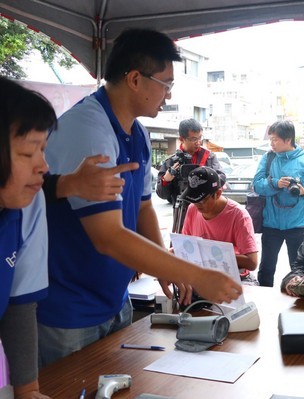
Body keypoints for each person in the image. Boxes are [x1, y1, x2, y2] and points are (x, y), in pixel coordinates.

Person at [36, 28, 242, 367]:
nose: (169, 94)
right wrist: (195, 274)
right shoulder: (89, 130)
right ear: (134, 79)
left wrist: (163, 264)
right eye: (165, 83)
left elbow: (144, 206)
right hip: (70, 307)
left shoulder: (137, 132)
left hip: (114, 298)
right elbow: (108, 238)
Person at [0, 76, 55, 399]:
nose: (44, 167)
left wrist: (29, 391)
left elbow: (19, 305)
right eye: (28, 153)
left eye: (44, 150)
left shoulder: (27, 205)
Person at [252, 120, 304, 287]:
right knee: (266, 269)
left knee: (299, 269)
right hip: (271, 224)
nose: (271, 143)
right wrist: (275, 184)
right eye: (270, 139)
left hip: (299, 225)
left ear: (288, 139)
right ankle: (265, 304)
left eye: (275, 139)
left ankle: (300, 304)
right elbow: (256, 185)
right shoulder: (268, 158)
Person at [181, 166, 258, 282]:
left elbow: (252, 262)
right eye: (193, 200)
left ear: (217, 193)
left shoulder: (239, 215)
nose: (197, 205)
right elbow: (185, 245)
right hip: (202, 274)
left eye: (202, 200)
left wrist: (211, 255)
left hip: (234, 277)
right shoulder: (192, 209)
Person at [156, 118, 226, 233]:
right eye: (193, 139)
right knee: (181, 244)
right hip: (182, 210)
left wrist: (206, 177)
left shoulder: (209, 157)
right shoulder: (172, 162)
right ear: (181, 139)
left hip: (207, 210)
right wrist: (166, 179)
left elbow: (221, 177)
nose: (198, 142)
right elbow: (162, 194)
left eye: (200, 138)